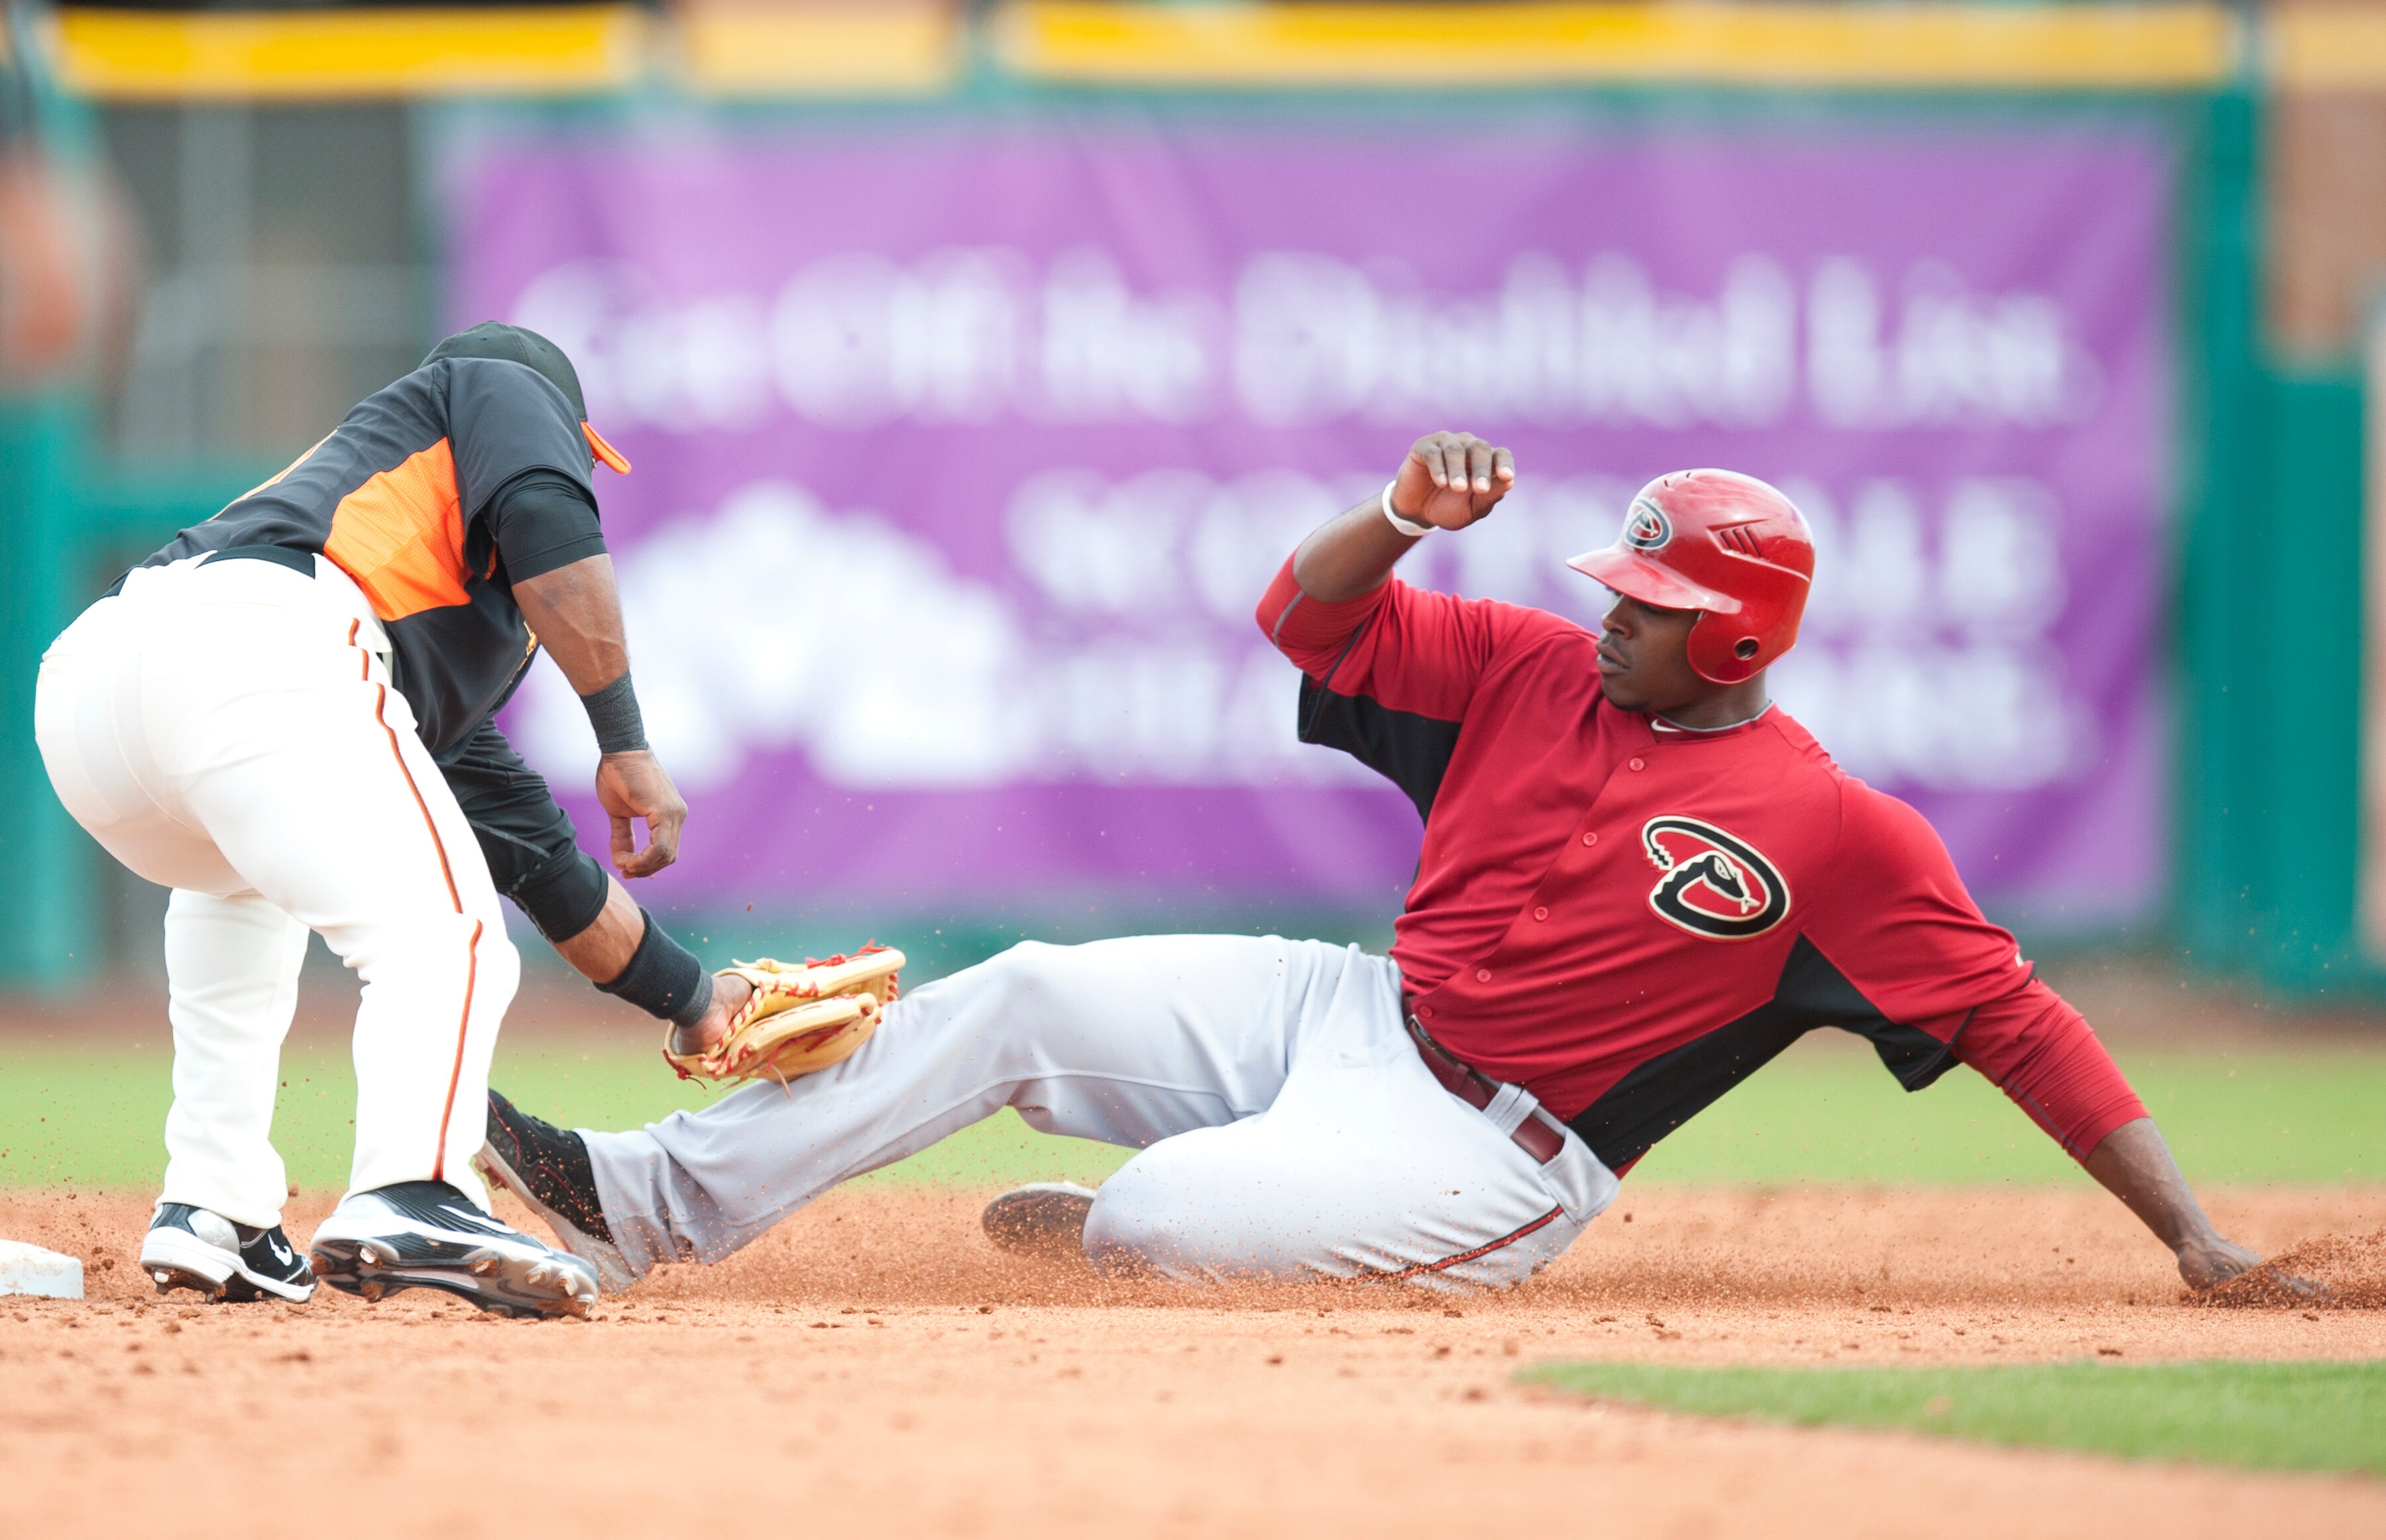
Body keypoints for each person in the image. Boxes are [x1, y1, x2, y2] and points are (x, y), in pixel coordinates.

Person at [479, 433, 2267, 1297]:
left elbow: (2021, 1020)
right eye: (1620, 587)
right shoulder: (1524, 663)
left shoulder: (1840, 833)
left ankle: (1194, 1203)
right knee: (1023, 987)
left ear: (1736, 644)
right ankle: (638, 1205)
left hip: (1499, 1144)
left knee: (1156, 1223)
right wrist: (1402, 519)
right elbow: (1301, 615)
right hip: (1353, 1011)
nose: (1613, 617)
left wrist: (2196, 1238)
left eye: (1652, 608)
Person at [34, 323, 752, 1317]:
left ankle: (216, 1207)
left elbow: (544, 867)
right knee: (448, 935)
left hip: (98, 692)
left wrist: (695, 998)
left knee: (242, 888)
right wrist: (624, 739)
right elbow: (546, 513)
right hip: (261, 640)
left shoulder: (399, 605)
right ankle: (413, 1191)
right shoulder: (497, 384)